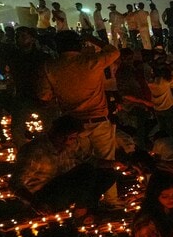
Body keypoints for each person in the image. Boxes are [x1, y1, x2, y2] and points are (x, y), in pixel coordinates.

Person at [35, 30, 121, 203]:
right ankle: (111, 201)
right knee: (107, 162)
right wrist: (92, 38)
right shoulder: (91, 62)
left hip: (72, 124)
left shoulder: (49, 67)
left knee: (81, 164)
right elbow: (114, 51)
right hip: (98, 120)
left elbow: (44, 96)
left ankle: (83, 202)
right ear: (79, 45)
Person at [11, 115, 118, 222]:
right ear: (53, 132)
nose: (67, 141)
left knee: (109, 174)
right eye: (63, 137)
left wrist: (117, 164)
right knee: (86, 170)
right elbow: (14, 184)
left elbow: (89, 160)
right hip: (44, 196)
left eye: (71, 138)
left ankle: (84, 207)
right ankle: (82, 212)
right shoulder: (33, 151)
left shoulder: (73, 144)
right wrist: (34, 202)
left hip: (66, 188)